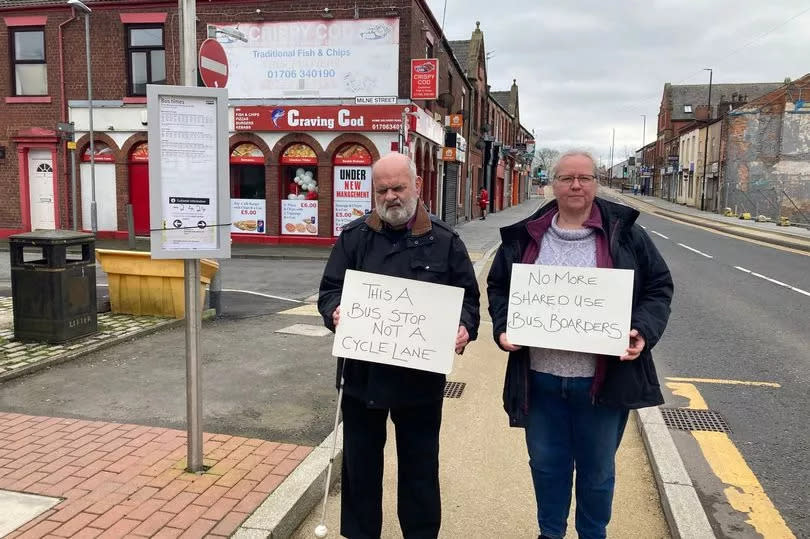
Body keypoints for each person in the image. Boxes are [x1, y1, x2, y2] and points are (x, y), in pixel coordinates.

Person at [486, 150, 673, 539]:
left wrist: (641, 329)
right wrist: (503, 327)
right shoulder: (526, 238)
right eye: (567, 178)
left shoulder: (627, 235)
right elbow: (499, 286)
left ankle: (593, 534)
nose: (576, 185)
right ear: (551, 184)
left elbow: (658, 288)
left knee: (597, 472)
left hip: (601, 383)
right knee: (546, 466)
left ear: (595, 183)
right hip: (540, 380)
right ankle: (549, 533)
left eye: (584, 178)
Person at [318, 152, 480, 539]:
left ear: (418, 186)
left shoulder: (445, 241)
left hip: (419, 381)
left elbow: (468, 300)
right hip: (361, 380)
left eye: (398, 188)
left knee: (420, 468)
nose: (391, 196)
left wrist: (464, 327)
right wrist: (334, 312)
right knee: (360, 469)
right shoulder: (354, 238)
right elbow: (329, 291)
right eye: (383, 189)